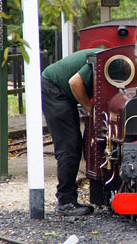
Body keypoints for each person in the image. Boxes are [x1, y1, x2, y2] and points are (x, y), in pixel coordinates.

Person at [41, 48, 101, 216]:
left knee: (74, 144)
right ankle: (65, 202)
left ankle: (68, 198)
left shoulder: (113, 58)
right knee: (69, 145)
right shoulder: (111, 61)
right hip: (53, 89)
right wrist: (89, 108)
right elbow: (75, 82)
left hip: (59, 90)